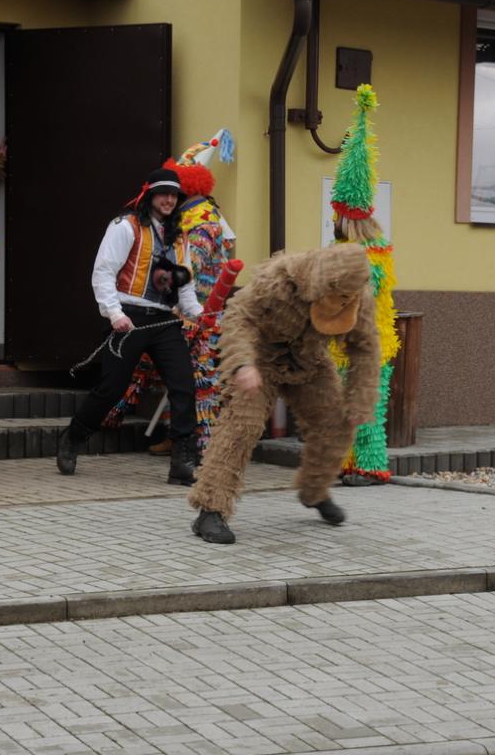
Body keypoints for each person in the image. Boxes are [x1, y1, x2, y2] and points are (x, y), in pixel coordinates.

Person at [188, 244, 379, 544]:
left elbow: (365, 348)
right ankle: (210, 510)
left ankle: (314, 491)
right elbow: (239, 316)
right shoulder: (278, 279)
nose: (343, 301)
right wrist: (242, 363)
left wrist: (359, 400)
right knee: (242, 425)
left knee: (337, 422)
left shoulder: (358, 296)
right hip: (259, 359)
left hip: (310, 362)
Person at [57, 167, 204, 485]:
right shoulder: (125, 226)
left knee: (183, 386)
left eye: (173, 195)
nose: (168, 200)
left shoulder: (180, 236)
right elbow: (103, 271)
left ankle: (182, 461)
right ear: (150, 195)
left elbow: (185, 284)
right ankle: (74, 437)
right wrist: (114, 314)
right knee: (111, 388)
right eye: (163, 193)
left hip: (165, 321)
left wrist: (198, 313)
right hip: (129, 317)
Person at [104, 128, 237, 454]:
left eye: (174, 191)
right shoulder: (189, 215)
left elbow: (192, 266)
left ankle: (202, 445)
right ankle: (171, 434)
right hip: (180, 310)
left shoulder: (202, 218)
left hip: (198, 313)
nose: (169, 198)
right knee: (172, 374)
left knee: (197, 379)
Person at [328, 85, 399, 486]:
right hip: (345, 343)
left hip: (368, 344)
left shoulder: (373, 254)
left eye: (336, 217)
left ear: (346, 219)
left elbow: (360, 289)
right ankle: (350, 463)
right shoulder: (344, 249)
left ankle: (371, 467)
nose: (332, 223)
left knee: (366, 406)